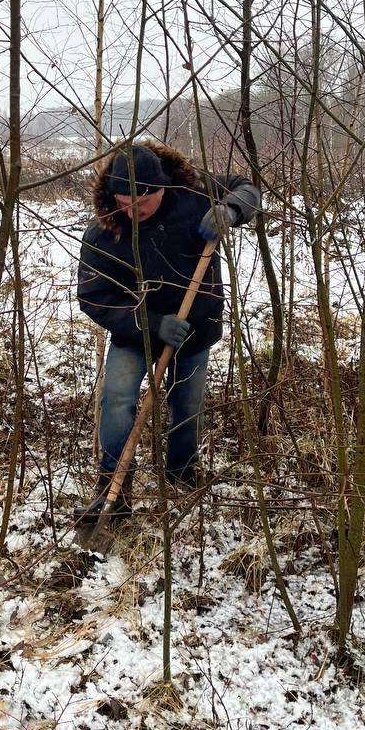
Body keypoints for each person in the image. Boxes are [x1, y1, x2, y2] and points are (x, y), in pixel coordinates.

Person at [76, 140, 260, 519]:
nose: (131, 209)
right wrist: (151, 324)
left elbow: (248, 188)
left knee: (187, 405)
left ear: (161, 188)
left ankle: (181, 473)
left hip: (194, 327)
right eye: (123, 200)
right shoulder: (103, 232)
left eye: (141, 202)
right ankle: (113, 487)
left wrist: (230, 209)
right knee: (117, 401)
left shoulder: (192, 192)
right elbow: (93, 296)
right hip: (134, 333)